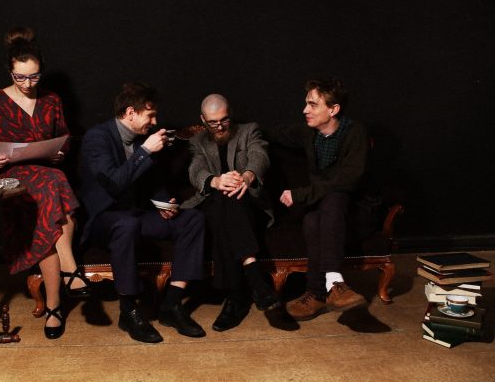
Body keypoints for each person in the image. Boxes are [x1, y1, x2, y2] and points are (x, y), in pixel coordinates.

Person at [0, 27, 90, 340]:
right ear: (10, 71)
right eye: (20, 77)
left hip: (46, 176)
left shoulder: (51, 101)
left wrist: (59, 151)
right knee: (56, 184)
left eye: (34, 77)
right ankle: (70, 270)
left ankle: (54, 307)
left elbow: (64, 138)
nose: (27, 83)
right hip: (12, 179)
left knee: (50, 201)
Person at [80, 82, 206, 343]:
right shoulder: (97, 138)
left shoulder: (141, 140)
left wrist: (164, 203)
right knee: (126, 224)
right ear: (130, 113)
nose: (155, 121)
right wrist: (145, 150)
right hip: (105, 219)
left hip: (137, 215)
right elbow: (113, 184)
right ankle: (128, 310)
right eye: (150, 115)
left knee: (192, 219)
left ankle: (172, 304)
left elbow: (153, 182)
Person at [269, 77, 369, 321]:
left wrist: (299, 194)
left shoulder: (355, 133)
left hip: (353, 210)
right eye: (306, 103)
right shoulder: (308, 132)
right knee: (312, 220)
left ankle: (330, 285)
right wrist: (235, 128)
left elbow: (346, 182)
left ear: (333, 109)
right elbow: (273, 133)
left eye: (313, 104)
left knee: (335, 198)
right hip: (322, 209)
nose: (305, 110)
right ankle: (322, 291)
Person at [182, 94, 280, 332]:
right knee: (221, 200)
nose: (219, 126)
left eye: (224, 120)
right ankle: (255, 282)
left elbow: (260, 155)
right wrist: (216, 181)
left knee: (228, 201)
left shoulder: (249, 130)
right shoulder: (197, 141)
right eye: (213, 122)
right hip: (214, 204)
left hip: (248, 206)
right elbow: (196, 170)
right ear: (203, 120)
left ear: (230, 114)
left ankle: (235, 297)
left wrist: (246, 176)